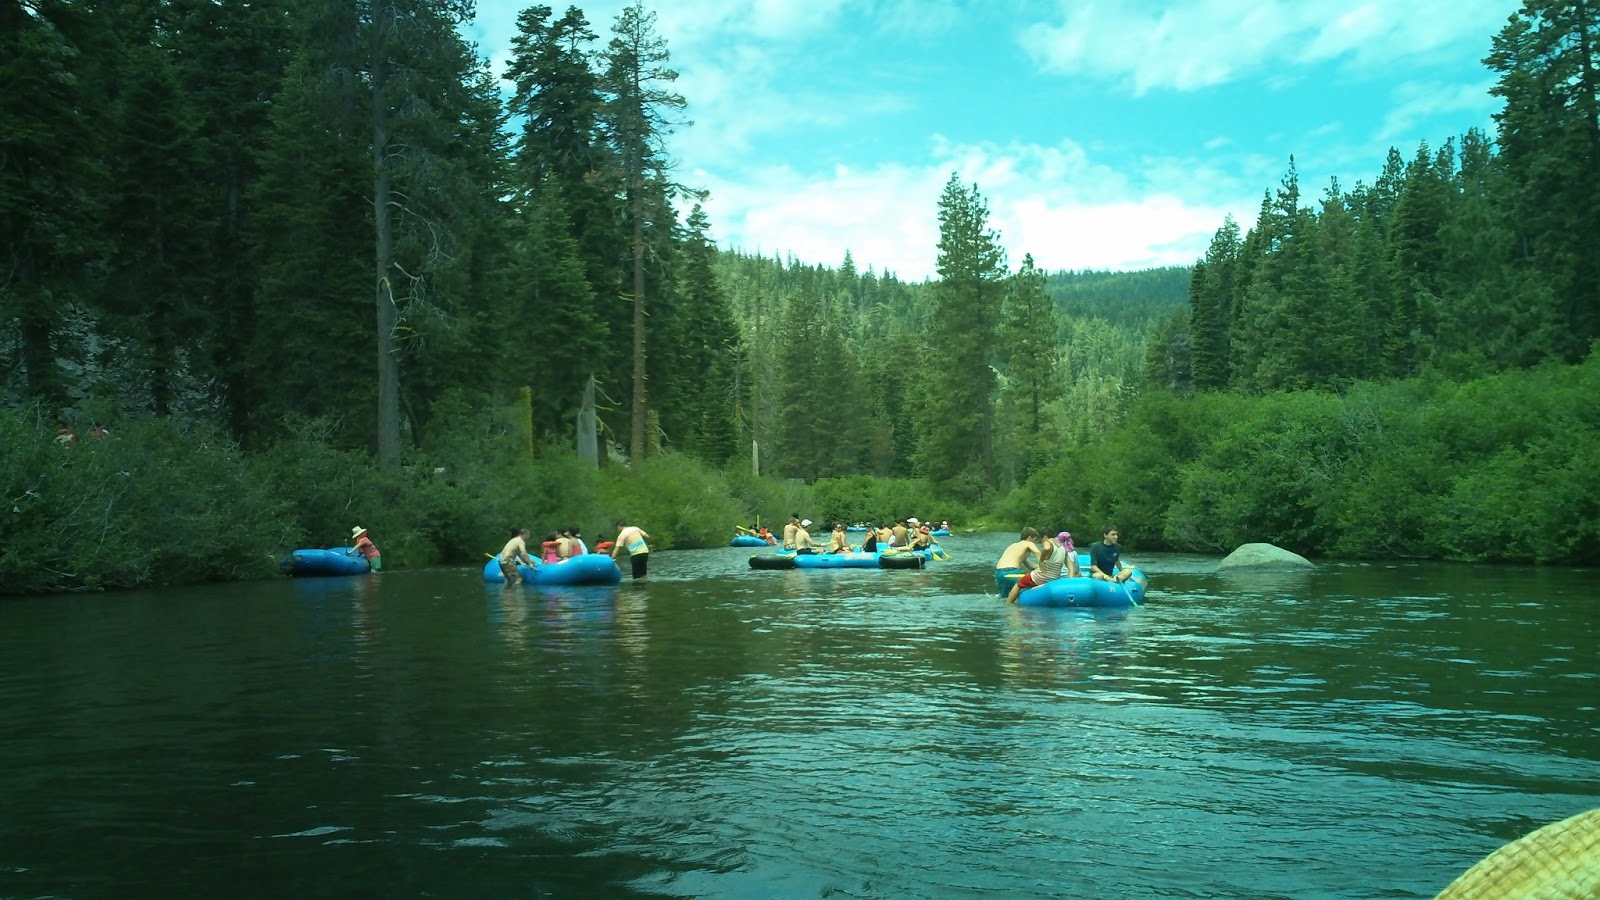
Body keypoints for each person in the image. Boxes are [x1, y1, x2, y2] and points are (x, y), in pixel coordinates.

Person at [1006, 531, 1078, 603]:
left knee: (1019, 584)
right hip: (1054, 578)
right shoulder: (1063, 549)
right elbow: (1071, 567)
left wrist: (1041, 560)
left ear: (1045, 537)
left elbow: (1046, 548)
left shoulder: (1047, 541)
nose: (1041, 541)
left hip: (1041, 577)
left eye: (1041, 539)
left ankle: (1008, 603)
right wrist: (1069, 581)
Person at [993, 527, 1041, 596]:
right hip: (1012, 571)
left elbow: (1030, 565)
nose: (1034, 542)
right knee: (1022, 592)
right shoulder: (1028, 543)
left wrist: (1038, 567)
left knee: (1004, 597)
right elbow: (1037, 552)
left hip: (999, 573)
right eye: (1035, 540)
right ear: (1030, 537)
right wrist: (1043, 566)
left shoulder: (1013, 546)